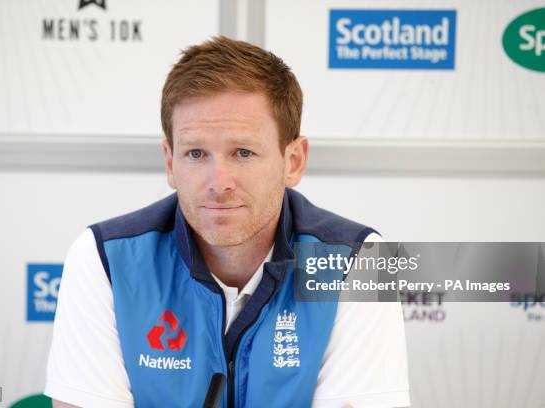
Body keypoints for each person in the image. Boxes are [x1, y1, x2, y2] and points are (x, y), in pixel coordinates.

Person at [44, 36, 410, 408]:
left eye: (244, 152)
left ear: (294, 161)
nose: (218, 183)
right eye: (196, 153)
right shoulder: (105, 258)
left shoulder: (359, 260)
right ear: (170, 163)